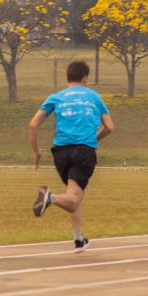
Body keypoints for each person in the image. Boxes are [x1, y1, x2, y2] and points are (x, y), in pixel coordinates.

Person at [29, 60, 114, 253]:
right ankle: (48, 198)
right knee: (72, 199)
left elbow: (33, 125)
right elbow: (110, 127)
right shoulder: (94, 97)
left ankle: (78, 240)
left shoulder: (56, 97)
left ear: (67, 78)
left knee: (73, 194)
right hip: (83, 151)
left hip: (60, 153)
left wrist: (36, 152)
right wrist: (95, 138)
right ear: (85, 78)